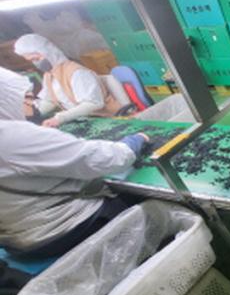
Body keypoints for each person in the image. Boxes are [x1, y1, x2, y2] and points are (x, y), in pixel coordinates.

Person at [0, 69, 150, 257]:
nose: (32, 104)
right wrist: (133, 142)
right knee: (143, 200)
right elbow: (101, 160)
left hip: (17, 242)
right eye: (28, 98)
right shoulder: (14, 136)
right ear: (7, 98)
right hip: (66, 229)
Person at [13, 34, 123, 128]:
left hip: (106, 119)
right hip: (84, 120)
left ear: (47, 52)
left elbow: (93, 103)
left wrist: (60, 118)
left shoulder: (77, 72)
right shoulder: (49, 75)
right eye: (32, 61)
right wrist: (32, 113)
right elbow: (50, 100)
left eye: (36, 59)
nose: (36, 64)